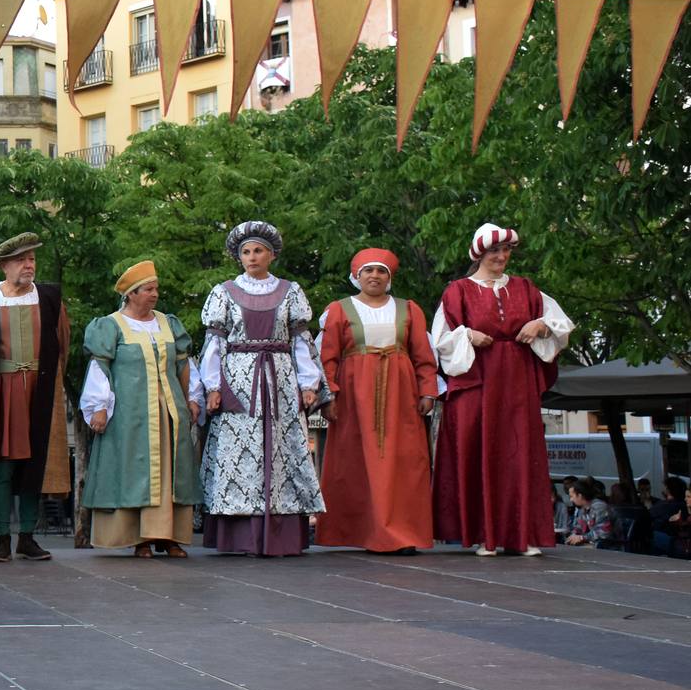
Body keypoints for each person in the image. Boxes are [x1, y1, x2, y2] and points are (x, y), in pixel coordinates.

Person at [432, 223, 573, 556]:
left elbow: (561, 324)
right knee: (481, 449)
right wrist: (467, 334)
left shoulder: (526, 289)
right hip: (477, 380)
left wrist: (541, 325)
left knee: (520, 451)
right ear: (480, 254)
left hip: (517, 379)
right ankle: (486, 535)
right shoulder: (458, 291)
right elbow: (439, 339)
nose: (501, 256)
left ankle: (522, 534)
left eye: (506, 250)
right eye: (494, 251)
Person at [198, 221, 326, 557]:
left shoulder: (290, 291)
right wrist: (213, 386)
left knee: (284, 450)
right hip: (239, 379)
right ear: (239, 256)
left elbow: (300, 340)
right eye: (246, 252)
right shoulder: (223, 292)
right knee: (239, 451)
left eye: (258, 251)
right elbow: (214, 343)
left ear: (271, 255)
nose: (251, 257)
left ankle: (282, 534)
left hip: (280, 379)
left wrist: (308, 383)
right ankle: (240, 535)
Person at [314, 249, 440, 554]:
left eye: (381, 271)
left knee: (405, 462)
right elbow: (327, 357)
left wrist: (428, 391)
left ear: (390, 277)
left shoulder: (409, 309)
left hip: (400, 392)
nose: (374, 276)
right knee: (357, 462)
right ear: (356, 276)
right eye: (367, 271)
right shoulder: (339, 310)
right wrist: (328, 395)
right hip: (354, 394)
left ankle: (403, 533)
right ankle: (364, 531)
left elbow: (423, 355)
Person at [79, 260, 203, 557]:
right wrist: (98, 408)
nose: (154, 294)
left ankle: (169, 536)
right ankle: (140, 538)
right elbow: (99, 368)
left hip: (169, 413)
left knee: (172, 473)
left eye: (156, 288)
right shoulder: (111, 326)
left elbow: (183, 365)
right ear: (131, 294)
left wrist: (192, 398)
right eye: (148, 289)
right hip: (129, 416)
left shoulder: (168, 323)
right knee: (134, 472)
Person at [0, 233, 70, 563]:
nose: (29, 265)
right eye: (22, 260)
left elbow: (62, 344)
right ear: (4, 265)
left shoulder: (50, 298)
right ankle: (2, 539)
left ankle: (27, 537)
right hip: (1, 392)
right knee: (3, 464)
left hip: (39, 391)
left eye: (33, 259)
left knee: (33, 462)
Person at [564, 477, 614, 547]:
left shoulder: (599, 507)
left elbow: (603, 533)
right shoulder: (583, 509)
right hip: (594, 545)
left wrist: (582, 537)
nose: (571, 500)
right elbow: (578, 528)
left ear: (580, 496)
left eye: (572, 496)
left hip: (610, 547)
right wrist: (573, 536)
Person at [651, 477, 687, 555]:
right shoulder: (682, 504)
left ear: (668, 489)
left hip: (668, 540)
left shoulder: (666, 505)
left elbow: (650, 515)